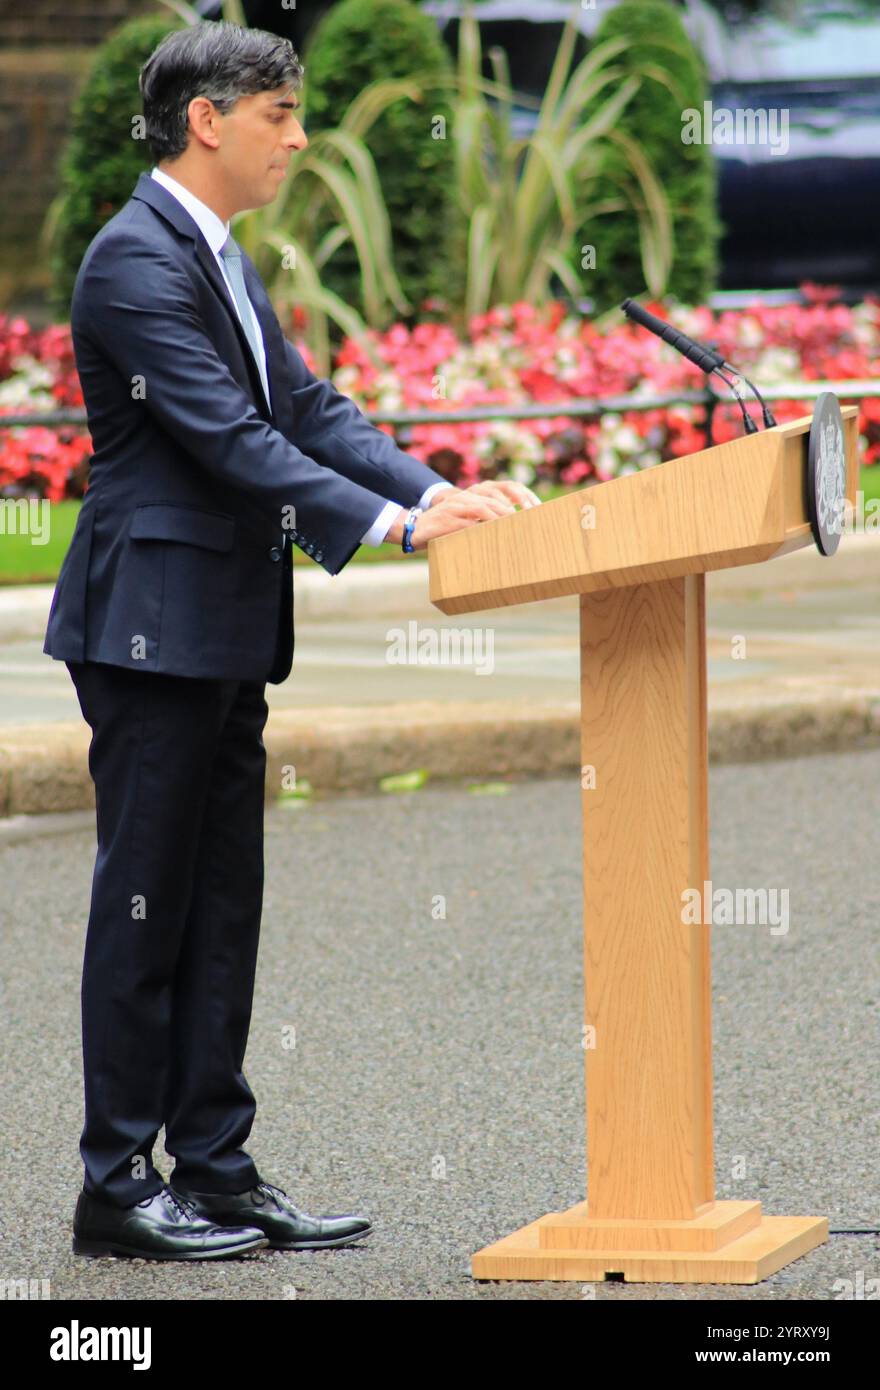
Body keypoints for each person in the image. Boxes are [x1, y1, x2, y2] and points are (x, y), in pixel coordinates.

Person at [43, 20, 539, 1261]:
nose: (301, 137)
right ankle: (117, 1184)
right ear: (207, 120)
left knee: (219, 908)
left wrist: (432, 493)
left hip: (219, 632)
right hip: (150, 632)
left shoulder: (210, 252)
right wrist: (394, 529)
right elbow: (225, 437)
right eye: (280, 114)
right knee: (145, 908)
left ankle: (212, 1166)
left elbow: (306, 409)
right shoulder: (133, 260)